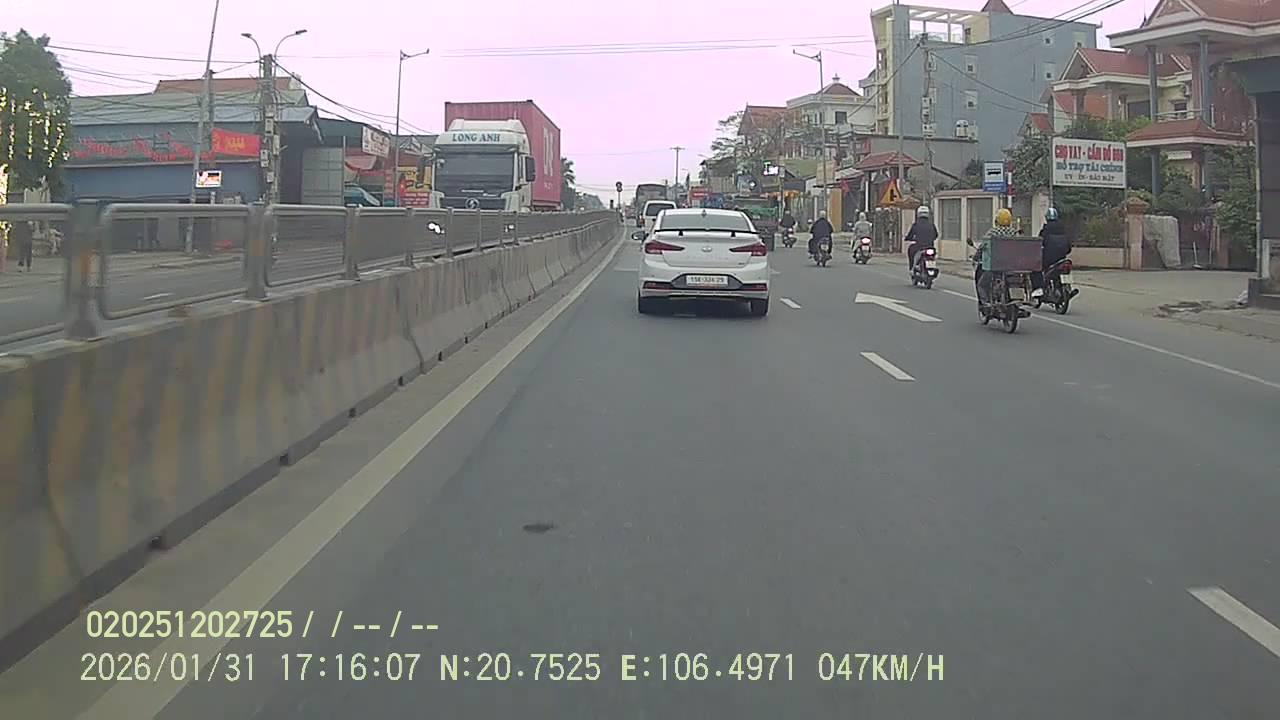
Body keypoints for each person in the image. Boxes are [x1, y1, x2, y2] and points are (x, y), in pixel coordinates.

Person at [974, 207, 1017, 304]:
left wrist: (976, 256)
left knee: (981, 285)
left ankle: (985, 302)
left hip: (995, 266)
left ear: (997, 220)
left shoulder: (992, 232)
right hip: (1012, 266)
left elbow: (983, 246)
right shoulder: (1014, 233)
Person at [1036, 207, 1071, 298]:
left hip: (1049, 259)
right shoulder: (1063, 229)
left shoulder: (1045, 230)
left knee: (1037, 269)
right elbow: (1069, 247)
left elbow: (1040, 243)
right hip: (1062, 258)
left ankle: (1040, 289)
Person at [904, 205, 938, 274]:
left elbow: (910, 235)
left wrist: (908, 238)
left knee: (911, 250)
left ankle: (912, 268)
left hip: (919, 247)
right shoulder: (931, 224)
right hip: (930, 246)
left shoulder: (916, 224)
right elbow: (936, 235)